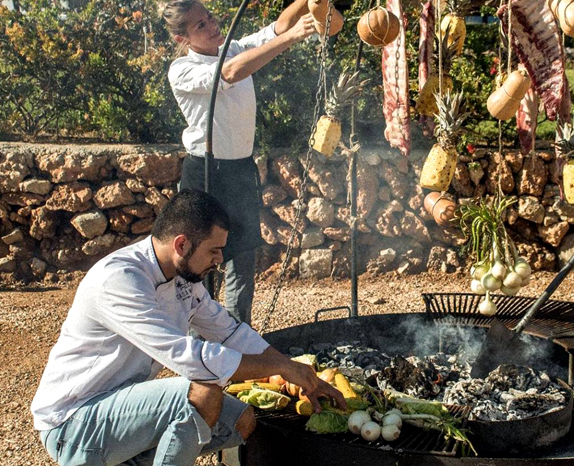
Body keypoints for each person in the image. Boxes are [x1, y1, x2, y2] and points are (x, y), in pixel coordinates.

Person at [31, 189, 345, 466]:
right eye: (214, 250)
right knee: (202, 390)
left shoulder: (182, 279)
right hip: (74, 424)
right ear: (182, 244)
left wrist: (292, 368)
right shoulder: (120, 279)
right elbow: (187, 356)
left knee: (241, 421)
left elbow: (229, 332)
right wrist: (277, 366)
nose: (220, 260)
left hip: (121, 408)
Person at [161, 0, 330, 326]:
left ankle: (239, 335)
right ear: (183, 38)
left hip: (239, 170)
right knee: (198, 264)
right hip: (205, 172)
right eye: (200, 26)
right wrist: (294, 37)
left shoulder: (232, 47)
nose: (212, 26)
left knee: (242, 258)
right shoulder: (183, 69)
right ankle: (199, 345)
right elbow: (230, 73)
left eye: (209, 17)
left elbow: (278, 28)